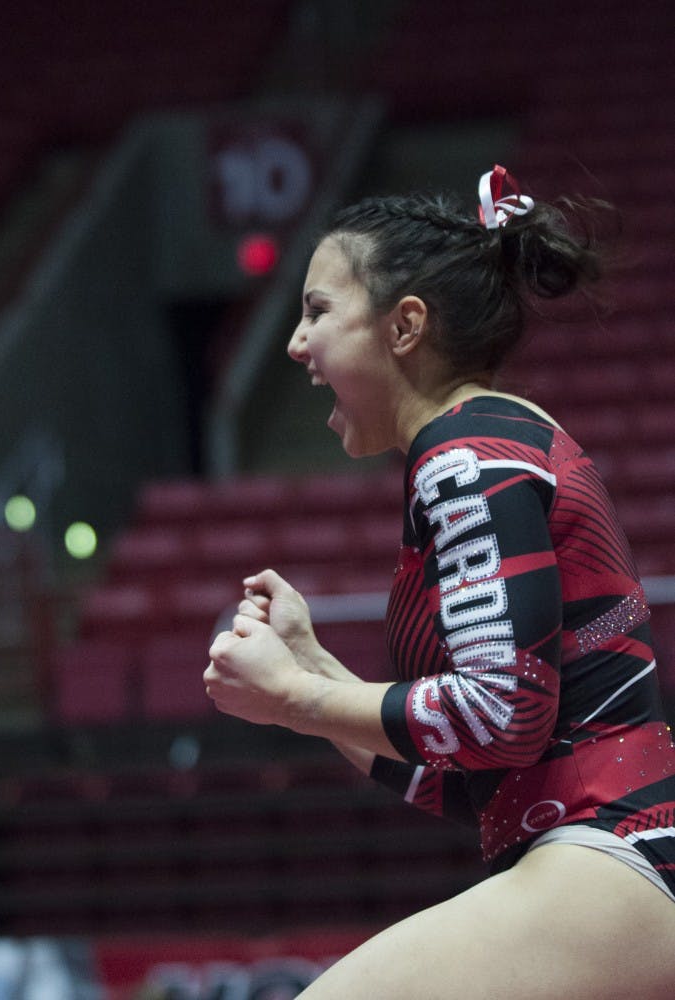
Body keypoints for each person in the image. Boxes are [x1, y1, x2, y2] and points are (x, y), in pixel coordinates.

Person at [204, 165, 675, 999]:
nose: (294, 345)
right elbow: (469, 779)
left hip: (609, 847)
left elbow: (499, 716)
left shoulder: (462, 456)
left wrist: (294, 700)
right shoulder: (489, 439)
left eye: (316, 311)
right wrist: (314, 673)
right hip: (606, 851)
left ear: (404, 325)